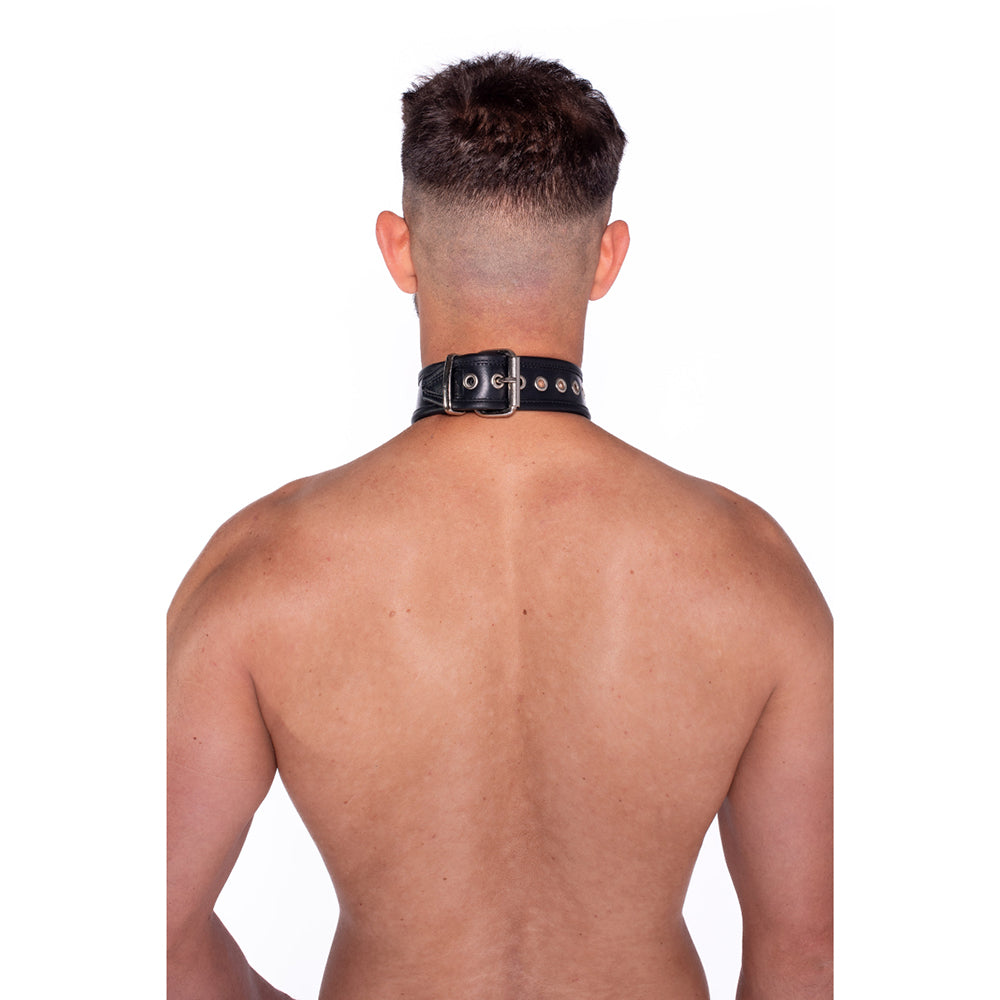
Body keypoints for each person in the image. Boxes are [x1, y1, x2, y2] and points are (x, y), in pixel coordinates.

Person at [167, 53, 832, 1000]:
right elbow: (809, 950)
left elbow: (145, 929)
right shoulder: (751, 565)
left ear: (399, 249)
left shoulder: (262, 564)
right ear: (607, 258)